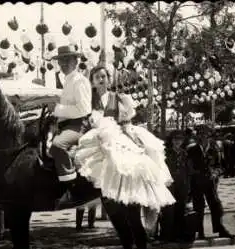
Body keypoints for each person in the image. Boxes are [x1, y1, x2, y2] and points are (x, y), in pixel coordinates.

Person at [74, 65, 175, 212]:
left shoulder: (118, 98)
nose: (101, 80)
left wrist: (129, 133)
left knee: (132, 162)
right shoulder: (89, 100)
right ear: (92, 82)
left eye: (104, 76)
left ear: (109, 80)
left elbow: (126, 121)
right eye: (97, 77)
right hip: (95, 136)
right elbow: (84, 120)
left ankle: (134, 196)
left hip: (115, 135)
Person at [48, 45, 93, 209]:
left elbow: (83, 109)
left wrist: (58, 109)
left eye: (67, 60)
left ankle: (71, 190)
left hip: (79, 125)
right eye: (61, 61)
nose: (63, 64)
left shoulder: (80, 81)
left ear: (76, 61)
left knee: (58, 145)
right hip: (65, 125)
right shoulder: (67, 81)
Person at [186, 124, 235, 239]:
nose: (203, 137)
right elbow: (187, 166)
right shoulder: (191, 149)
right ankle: (200, 232)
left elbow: (221, 166)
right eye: (200, 135)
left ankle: (220, 229)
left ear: (209, 136)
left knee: (216, 205)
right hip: (196, 182)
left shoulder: (215, 150)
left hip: (210, 182)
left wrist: (215, 173)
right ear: (197, 137)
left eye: (205, 135)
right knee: (198, 207)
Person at [159, 130, 194, 242]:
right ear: (172, 140)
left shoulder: (185, 153)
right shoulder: (166, 153)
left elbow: (189, 171)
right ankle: (166, 236)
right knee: (168, 210)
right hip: (169, 184)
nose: (177, 142)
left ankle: (178, 235)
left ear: (183, 141)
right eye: (175, 139)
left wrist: (188, 187)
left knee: (180, 209)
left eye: (180, 139)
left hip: (182, 184)